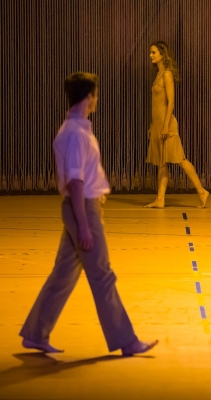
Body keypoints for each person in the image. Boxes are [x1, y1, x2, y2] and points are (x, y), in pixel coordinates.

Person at [20, 72, 157, 356]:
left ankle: (35, 333)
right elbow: (75, 182)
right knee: (102, 274)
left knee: (63, 274)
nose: (95, 100)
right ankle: (127, 341)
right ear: (88, 97)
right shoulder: (74, 135)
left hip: (81, 209)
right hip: (84, 209)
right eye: (94, 95)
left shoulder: (77, 130)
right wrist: (84, 225)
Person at [145, 41, 209, 208]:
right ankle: (160, 199)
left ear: (162, 55)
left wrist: (166, 125)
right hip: (158, 124)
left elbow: (171, 102)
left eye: (153, 52)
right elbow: (156, 104)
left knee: (180, 159)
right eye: (151, 53)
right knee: (162, 162)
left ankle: (202, 191)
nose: (151, 55)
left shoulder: (166, 74)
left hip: (168, 124)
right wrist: (154, 125)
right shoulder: (158, 75)